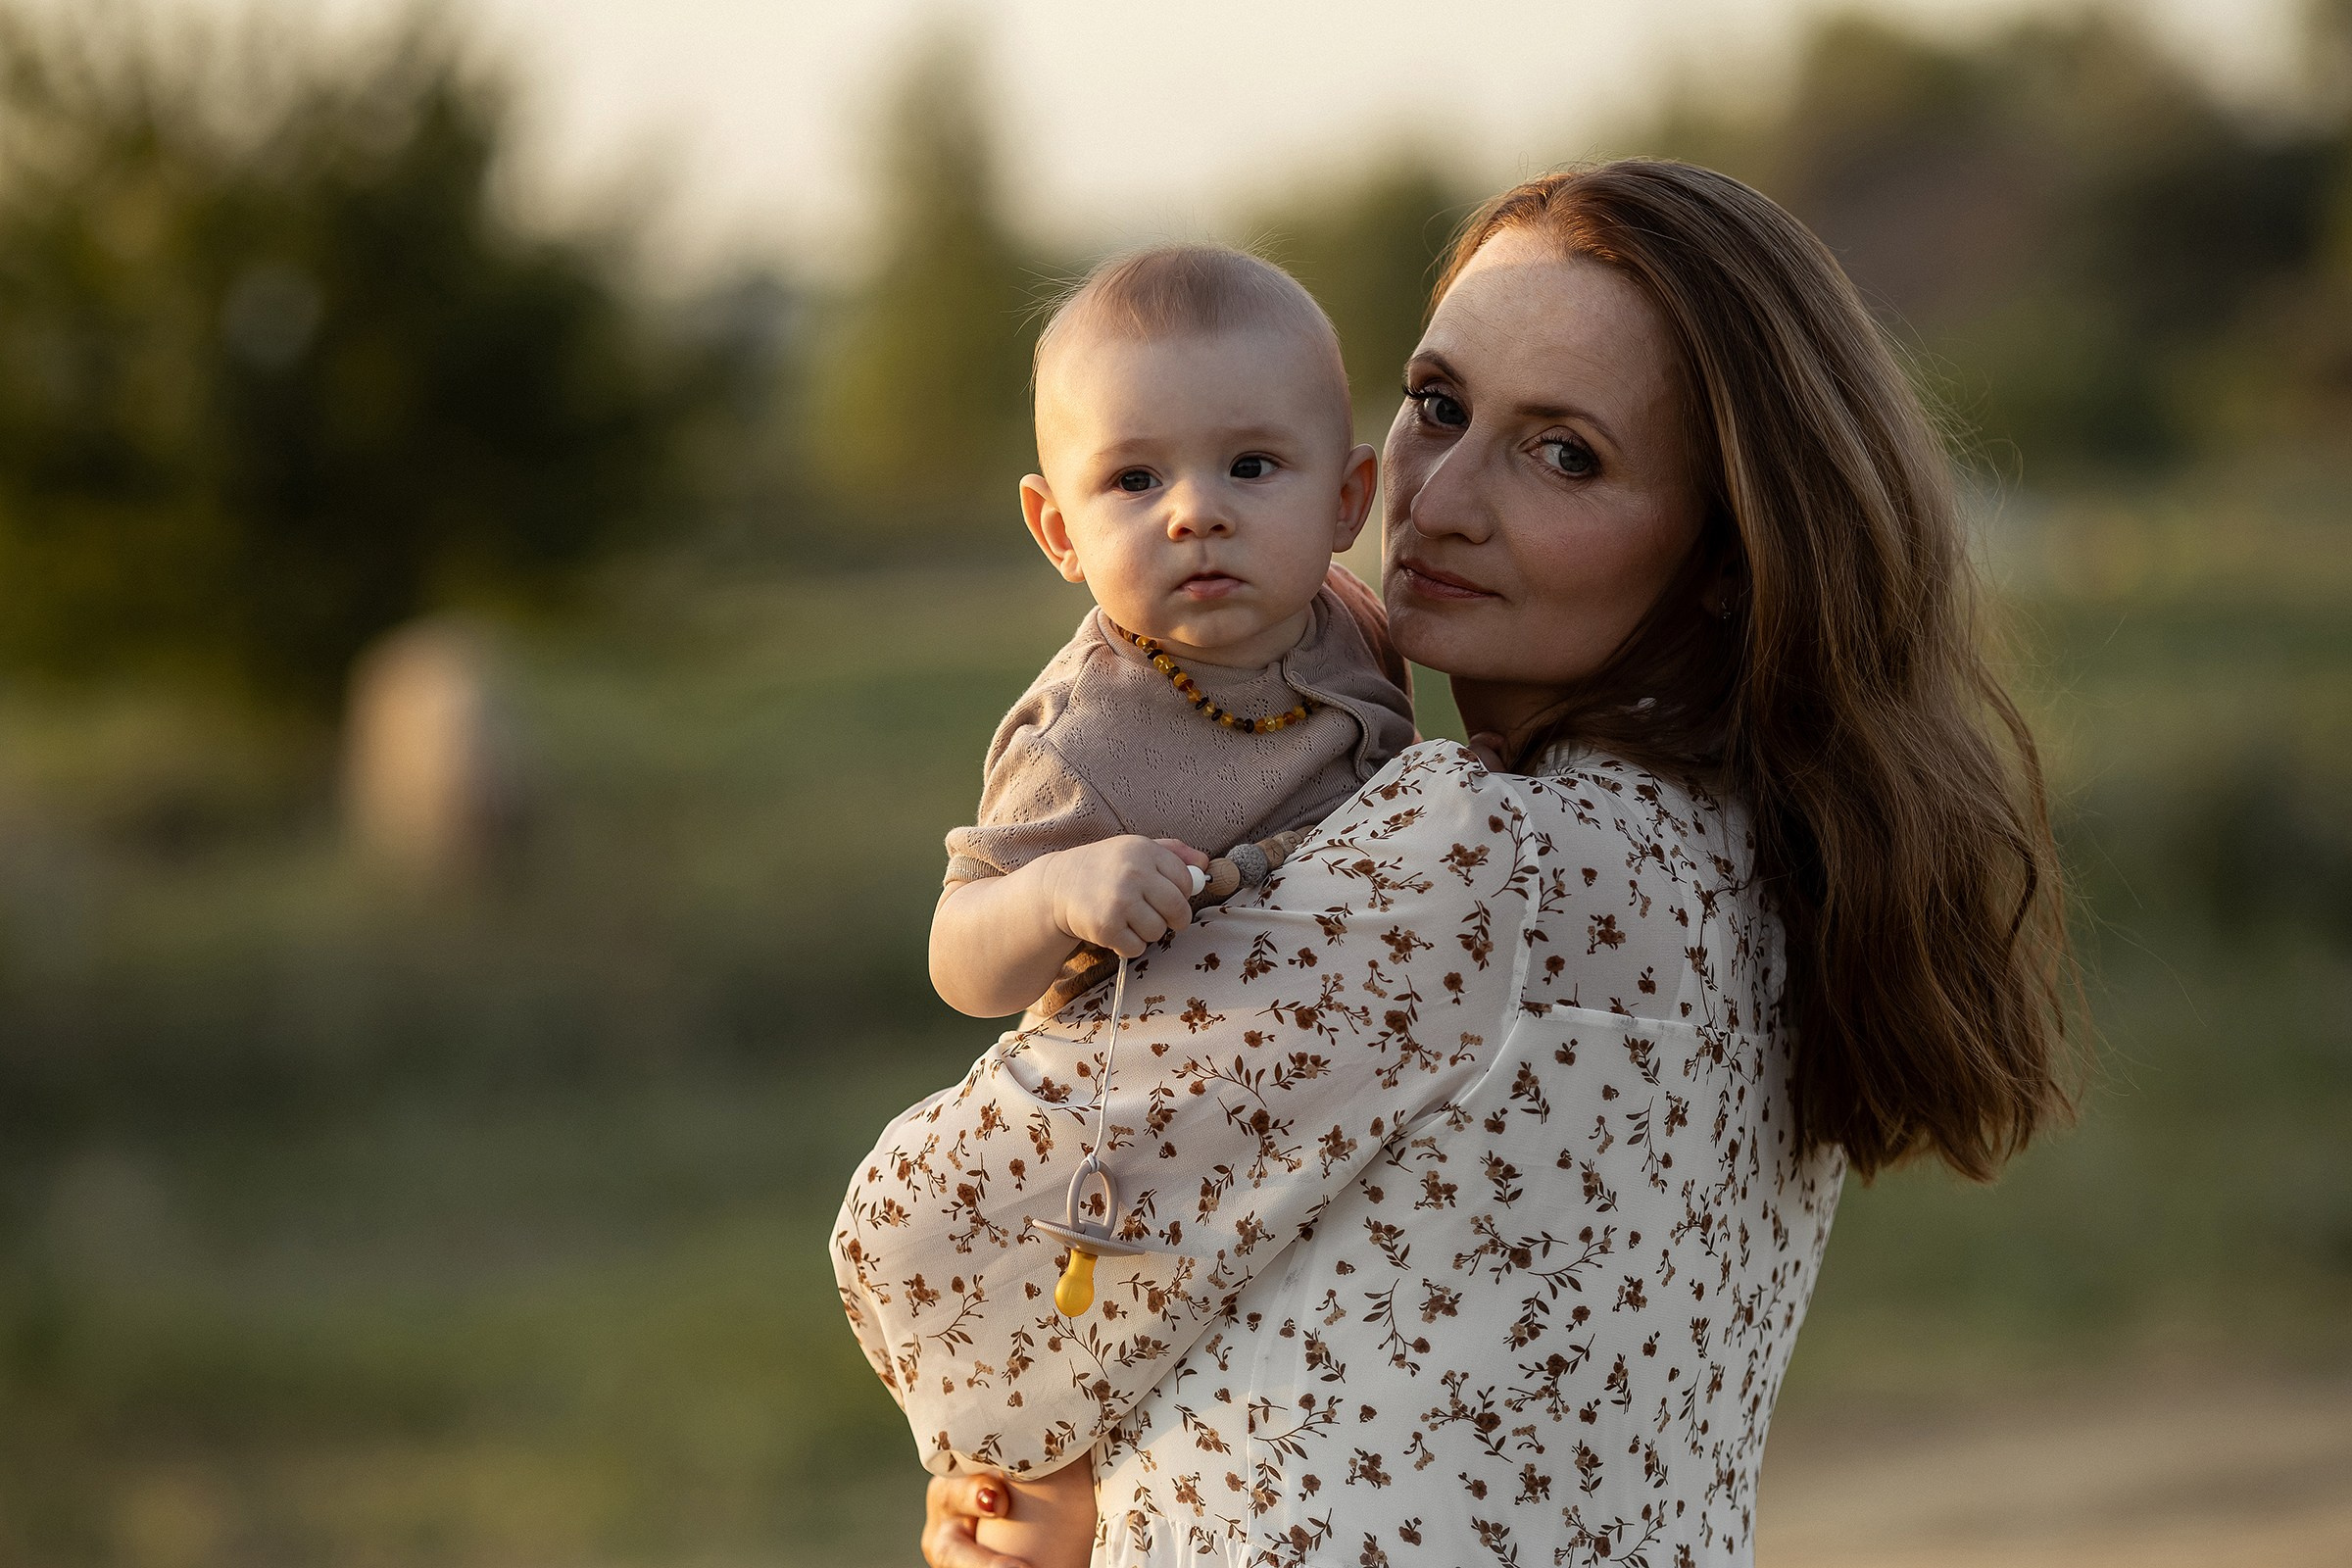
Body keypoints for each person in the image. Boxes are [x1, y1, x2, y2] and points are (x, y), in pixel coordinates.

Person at [837, 161, 2074, 1568]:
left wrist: (1049, 1473)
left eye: (1566, 454)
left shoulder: (1481, 859)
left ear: (1729, 551)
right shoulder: (1767, 849)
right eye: (1439, 407)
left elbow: (923, 1246)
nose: (1442, 500)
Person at [922, 243, 1417, 1564]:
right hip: (1124, 1132)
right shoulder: (1083, 734)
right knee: (1076, 1402)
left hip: (1296, 1099)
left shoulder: (1355, 632)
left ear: (1348, 496)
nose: (1195, 510)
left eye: (1252, 467)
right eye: (1135, 479)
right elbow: (959, 959)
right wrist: (1063, 889)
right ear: (1057, 530)